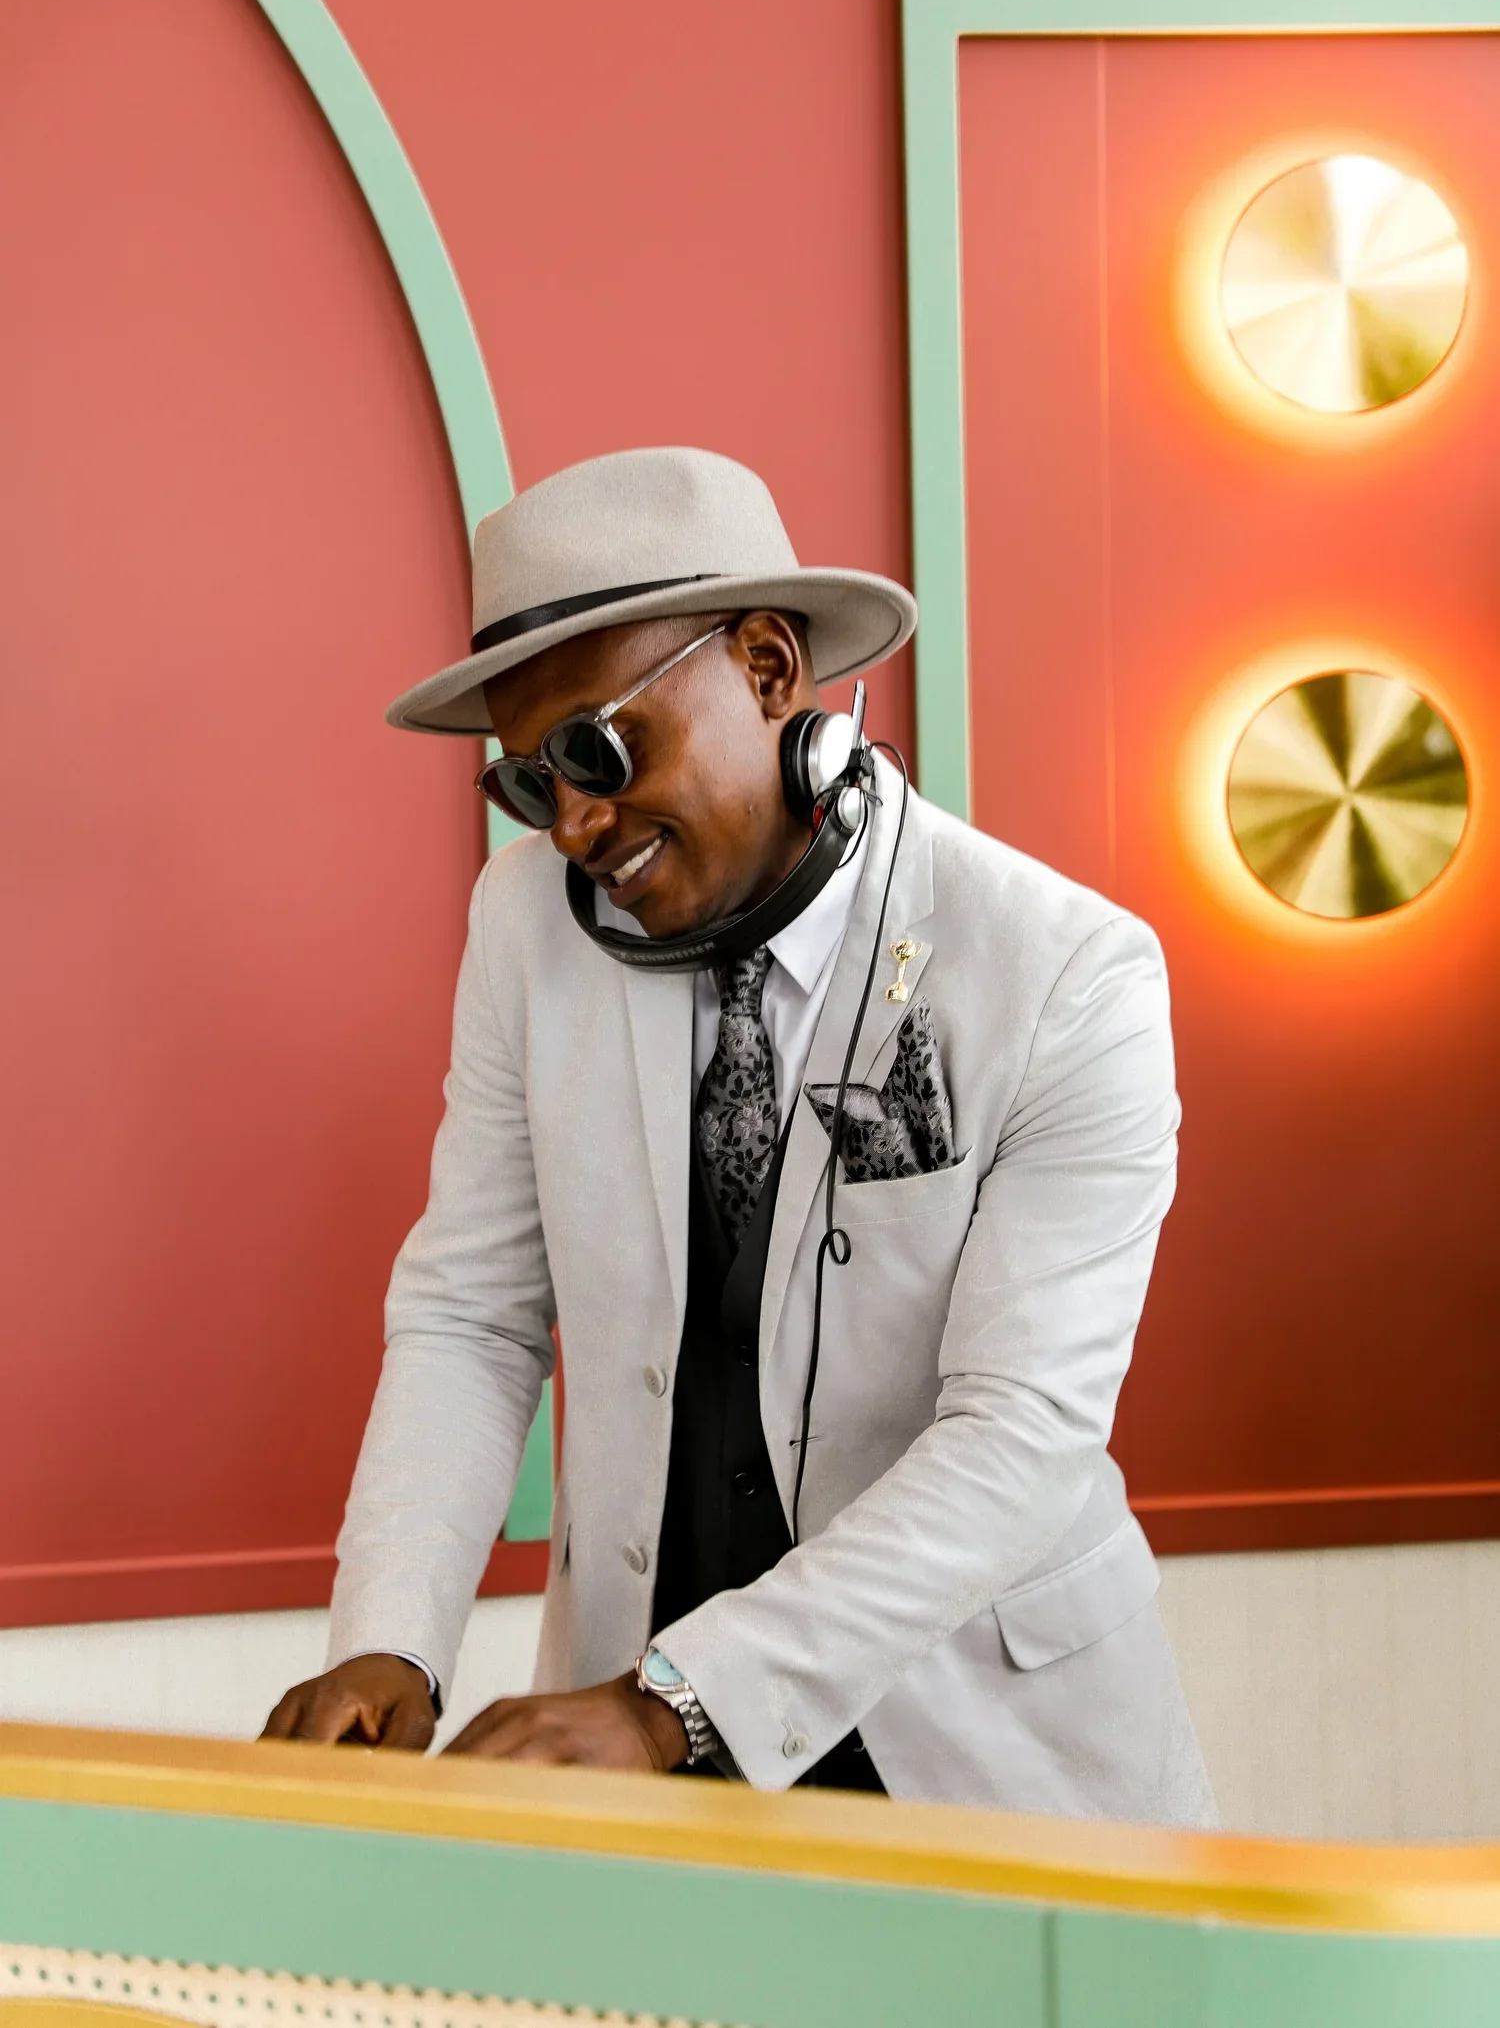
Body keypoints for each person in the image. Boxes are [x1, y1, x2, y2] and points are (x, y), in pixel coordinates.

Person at [264, 447, 1215, 1822]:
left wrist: (676, 1701)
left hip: (986, 1755)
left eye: (598, 750)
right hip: (641, 1757)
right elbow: (474, 1314)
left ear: (769, 669)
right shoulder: (525, 928)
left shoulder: (1067, 973)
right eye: (530, 784)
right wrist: (390, 1637)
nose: (575, 825)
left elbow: (1020, 1433)